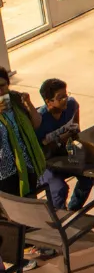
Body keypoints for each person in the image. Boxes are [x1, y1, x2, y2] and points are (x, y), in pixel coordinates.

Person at [34, 78, 94, 212]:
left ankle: (72, 212)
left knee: (89, 177)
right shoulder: (39, 121)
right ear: (48, 102)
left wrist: (73, 134)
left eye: (66, 95)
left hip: (65, 155)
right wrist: (58, 140)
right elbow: (37, 150)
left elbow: (76, 127)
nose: (65, 99)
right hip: (45, 163)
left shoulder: (71, 105)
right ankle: (59, 218)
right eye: (60, 97)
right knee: (59, 189)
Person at [0, 70, 44, 199]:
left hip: (27, 165)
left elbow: (36, 124)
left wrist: (29, 104)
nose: (0, 91)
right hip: (5, 173)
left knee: (29, 206)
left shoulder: (16, 100)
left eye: (2, 86)